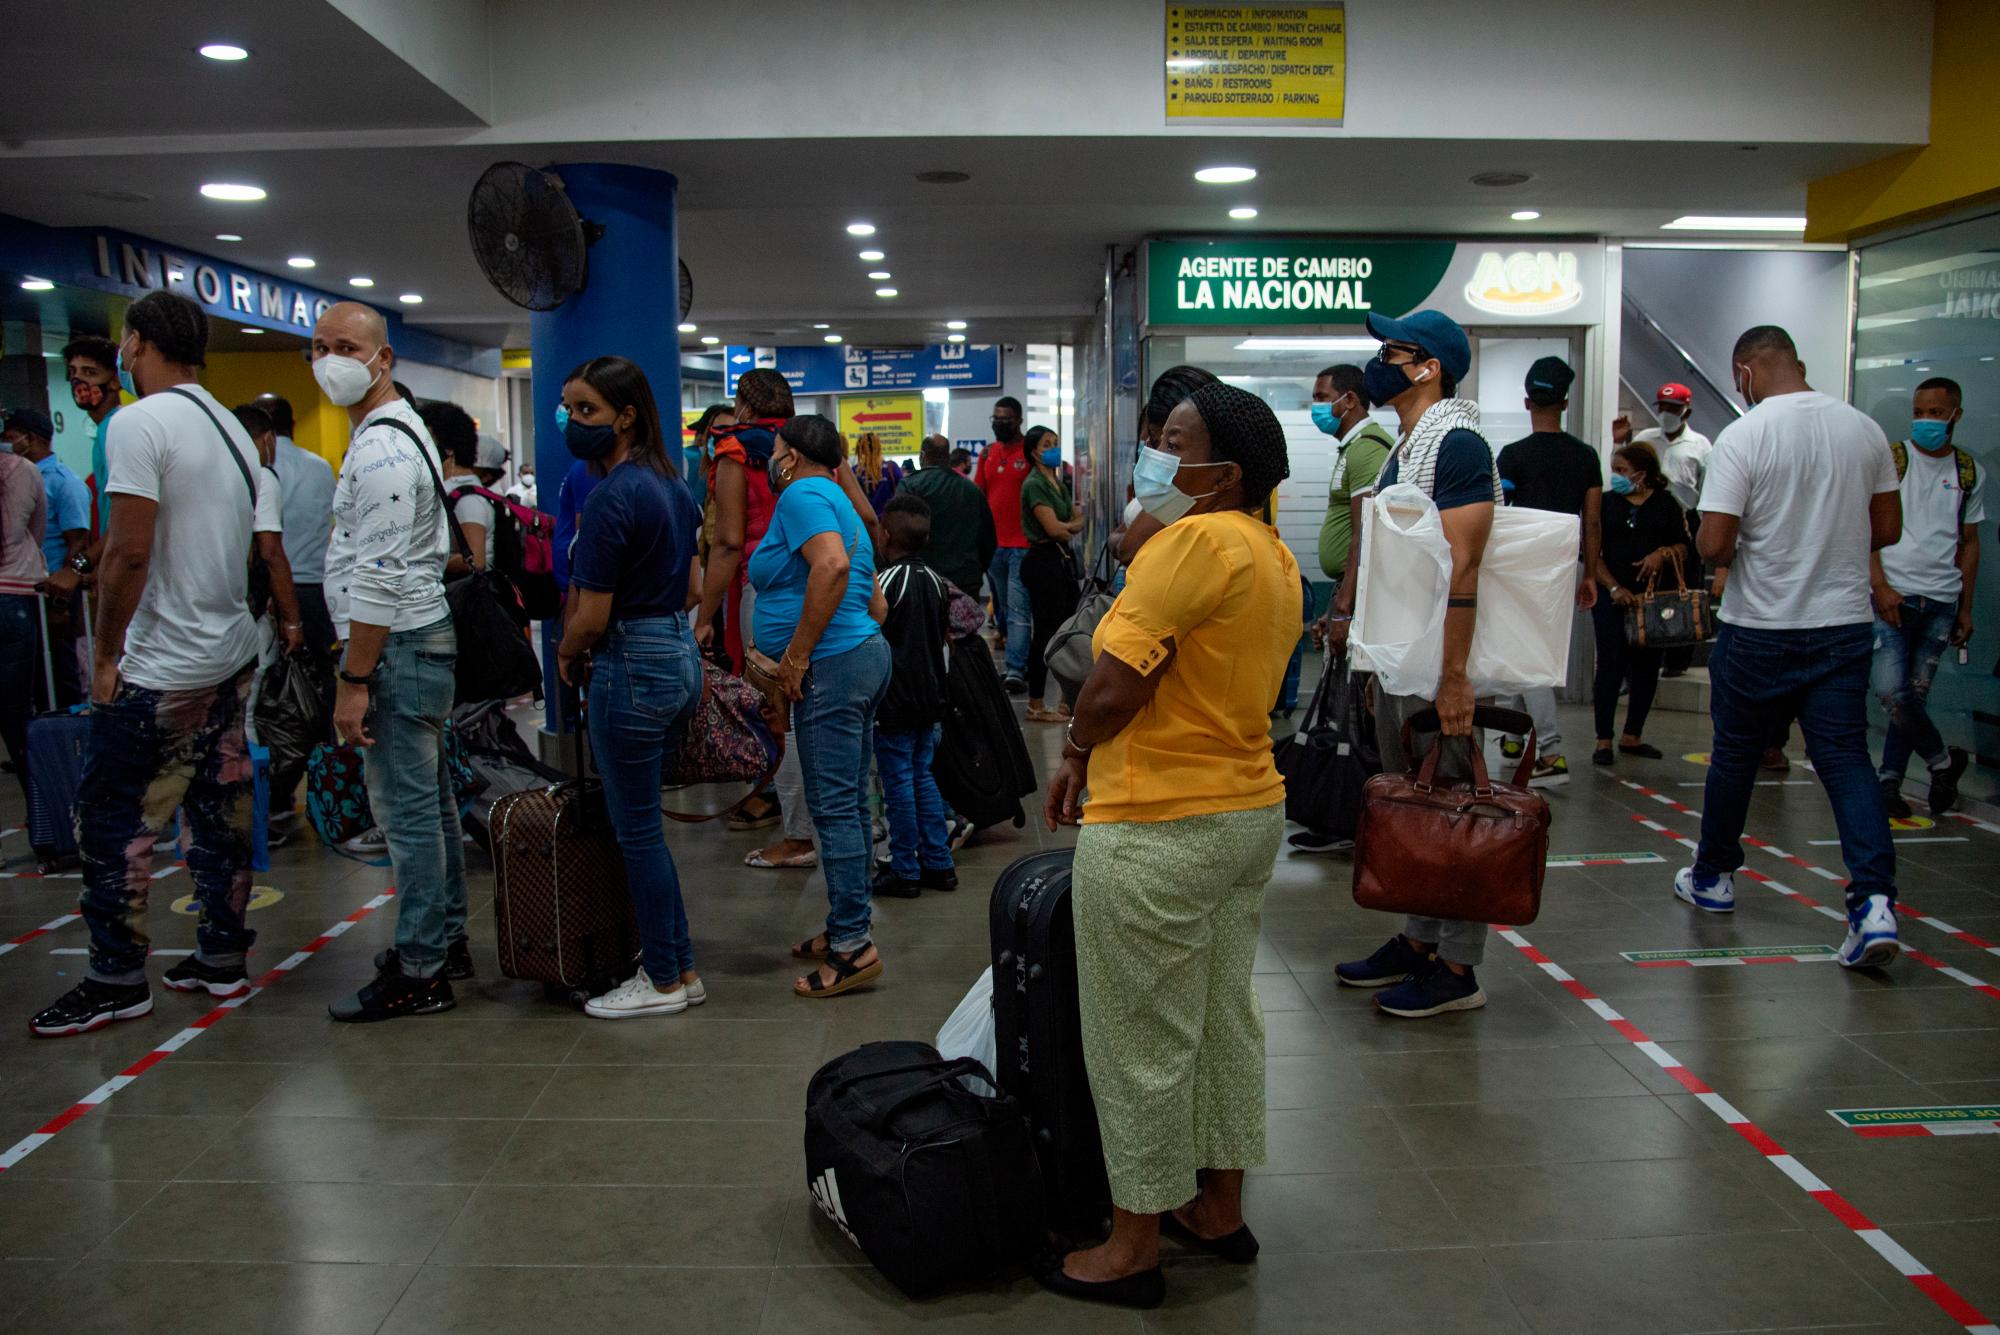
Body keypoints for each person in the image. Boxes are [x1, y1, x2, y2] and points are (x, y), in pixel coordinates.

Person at [1040, 382, 1296, 1310]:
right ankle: (1217, 1210)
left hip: (1159, 822)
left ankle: (1132, 1242)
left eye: (1172, 440)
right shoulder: (1268, 551)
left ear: (1221, 473)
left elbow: (1112, 688)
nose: (1154, 449)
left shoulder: (1190, 542)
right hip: (1245, 812)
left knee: (1139, 1035)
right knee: (1224, 1018)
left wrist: (1071, 751)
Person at [28, 292, 277, 1037]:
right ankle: (221, 954)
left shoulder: (139, 422)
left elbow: (128, 552)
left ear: (134, 344)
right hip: (228, 651)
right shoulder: (229, 423)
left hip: (163, 664)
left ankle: (114, 976)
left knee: (110, 822)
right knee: (217, 811)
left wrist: (104, 656)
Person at [1678, 325, 1903, 970]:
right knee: (1844, 760)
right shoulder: (1864, 430)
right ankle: (1874, 903)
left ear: (1744, 370)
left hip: (1760, 627)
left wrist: (1728, 531)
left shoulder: (1744, 436)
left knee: (1736, 757)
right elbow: (1886, 527)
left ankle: (1714, 876)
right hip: (1841, 625)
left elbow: (1716, 545)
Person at [1333, 310, 1503, 1020]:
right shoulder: (1409, 445)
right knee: (1416, 806)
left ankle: (1459, 965)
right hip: (1403, 660)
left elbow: (1464, 564)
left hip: (1441, 666)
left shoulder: (1458, 445)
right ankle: (1419, 938)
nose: (1377, 363)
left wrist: (1456, 678)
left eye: (1390, 352)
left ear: (1427, 366)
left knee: (1456, 808)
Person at [312, 301, 469, 1022]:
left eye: (346, 345)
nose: (331, 359)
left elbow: (375, 577)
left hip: (395, 650)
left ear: (383, 358)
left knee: (407, 818)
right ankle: (443, 939)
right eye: (319, 346)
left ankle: (421, 968)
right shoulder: (401, 429)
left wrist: (354, 679)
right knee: (431, 809)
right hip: (414, 641)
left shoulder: (381, 451)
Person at [553, 356, 707, 1018]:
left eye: (586, 410)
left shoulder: (611, 497)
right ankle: (682, 967)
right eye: (569, 408)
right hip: (674, 650)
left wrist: (565, 650)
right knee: (646, 829)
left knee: (638, 832)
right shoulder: (671, 487)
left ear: (626, 416)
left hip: (630, 662)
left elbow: (589, 614)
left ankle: (666, 977)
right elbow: (697, 588)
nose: (572, 421)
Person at [752, 414, 892, 998]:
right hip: (862, 654)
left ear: (789, 456)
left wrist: (797, 658)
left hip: (832, 668)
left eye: (776, 449)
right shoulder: (838, 498)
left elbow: (832, 568)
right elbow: (876, 603)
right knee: (850, 805)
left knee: (833, 810)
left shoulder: (804, 492)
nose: (772, 458)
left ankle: (854, 946)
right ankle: (845, 924)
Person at [1294, 364, 1396, 856]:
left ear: (1350, 399)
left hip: (1359, 598)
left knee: (1356, 718)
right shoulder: (1351, 448)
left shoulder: (1368, 448)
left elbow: (1366, 531)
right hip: (1346, 590)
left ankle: (1358, 820)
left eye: (1322, 396)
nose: (1317, 406)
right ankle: (1340, 814)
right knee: (1342, 712)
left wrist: (1345, 607)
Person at [1871, 376, 1981, 816]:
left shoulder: (1970, 471)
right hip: (1893, 594)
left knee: (1911, 696)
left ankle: (1890, 782)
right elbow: (1868, 528)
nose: (1926, 421)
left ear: (1956, 414)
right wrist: (1879, 586)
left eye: (1936, 413)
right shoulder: (1892, 459)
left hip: (1941, 600)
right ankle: (1942, 761)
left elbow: (1969, 542)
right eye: (1919, 412)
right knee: (1891, 691)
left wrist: (1966, 608)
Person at [1493, 355, 1602, 786]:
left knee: (1527, 655)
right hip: (1561, 565)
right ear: (1565, 402)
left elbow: (1498, 513)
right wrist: (1589, 573)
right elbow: (1592, 521)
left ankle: (1550, 752)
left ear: (1527, 402)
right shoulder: (1585, 456)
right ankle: (1515, 738)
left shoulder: (1513, 456)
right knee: (1528, 649)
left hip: (1521, 564)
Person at [869, 493, 956, 899]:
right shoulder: (938, 583)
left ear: (885, 535)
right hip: (931, 697)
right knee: (923, 776)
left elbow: (873, 630)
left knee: (898, 782)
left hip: (895, 699)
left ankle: (904, 867)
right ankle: (939, 862)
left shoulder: (885, 582)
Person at [1590, 442, 1692, 765]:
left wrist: (1662, 554)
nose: (1616, 477)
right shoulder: (1606, 504)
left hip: (1652, 599)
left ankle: (1633, 734)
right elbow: (1592, 551)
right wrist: (1614, 587)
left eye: (1622, 471)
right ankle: (1603, 739)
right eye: (1614, 470)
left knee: (1647, 664)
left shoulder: (1666, 505)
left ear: (1641, 474)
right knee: (1610, 663)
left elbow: (1684, 545)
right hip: (1612, 595)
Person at [3, 407, 90, 706]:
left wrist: (62, 603)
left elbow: (79, 543)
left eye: (11, 438)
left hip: (57, 593)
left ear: (31, 439)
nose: (7, 445)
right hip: (29, 594)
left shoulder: (64, 482)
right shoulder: (17, 478)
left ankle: (66, 743)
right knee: (37, 679)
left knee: (61, 676)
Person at [226, 403, 308, 659]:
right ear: (268, 439)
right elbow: (270, 551)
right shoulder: (261, 476)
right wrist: (293, 621)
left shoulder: (218, 474)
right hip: (250, 607)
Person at [1116, 366, 1220, 566]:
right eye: (1158, 442)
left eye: (1171, 445)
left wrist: (1116, 542)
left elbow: (1129, 549)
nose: (1159, 454)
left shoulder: (1193, 491)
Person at [262, 395, 338, 659]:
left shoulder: (261, 469)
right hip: (316, 587)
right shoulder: (322, 467)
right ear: (293, 425)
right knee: (323, 670)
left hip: (271, 590)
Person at [1020, 425, 1084, 722]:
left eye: (1056, 442)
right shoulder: (1034, 484)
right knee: (1045, 633)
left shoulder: (1057, 482)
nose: (1053, 448)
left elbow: (1077, 520)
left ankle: (1065, 702)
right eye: (1047, 444)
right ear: (1034, 451)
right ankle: (1036, 703)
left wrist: (1067, 528)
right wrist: (1067, 528)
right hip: (1043, 562)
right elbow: (1055, 528)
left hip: (1061, 561)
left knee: (1065, 629)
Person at [0, 438, 47, 811]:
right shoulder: (26, 471)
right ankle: (44, 823)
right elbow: (37, 530)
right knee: (18, 716)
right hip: (16, 594)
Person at [976, 395, 1033, 691]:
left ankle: (1016, 668)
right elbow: (979, 498)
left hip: (1023, 545)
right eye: (996, 418)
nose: (1000, 423)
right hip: (994, 546)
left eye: (1006, 419)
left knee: (1019, 607)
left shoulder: (1031, 452)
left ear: (1019, 420)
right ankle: (1013, 654)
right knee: (1001, 607)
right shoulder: (987, 454)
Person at [899, 431, 996, 598]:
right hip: (965, 579)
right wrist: (977, 570)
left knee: (928, 624)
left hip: (924, 580)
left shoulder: (910, 486)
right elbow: (988, 538)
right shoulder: (972, 490)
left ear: (922, 455)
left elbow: (900, 533)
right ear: (947, 456)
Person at [426, 401, 507, 570]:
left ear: (448, 448)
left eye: (428, 439)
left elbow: (475, 560)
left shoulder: (467, 498)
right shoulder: (453, 490)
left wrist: (424, 564)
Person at [1619, 381, 1712, 499]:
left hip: (1683, 514)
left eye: (1672, 409)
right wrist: (1619, 442)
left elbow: (1708, 488)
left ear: (1687, 413)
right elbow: (1623, 471)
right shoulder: (1644, 439)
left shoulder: (1700, 445)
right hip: (1648, 512)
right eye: (1662, 409)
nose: (1665, 414)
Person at [851, 429, 903, 513]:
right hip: (888, 521)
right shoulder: (891, 467)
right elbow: (903, 494)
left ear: (860, 449)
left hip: (864, 521)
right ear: (878, 447)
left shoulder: (854, 471)